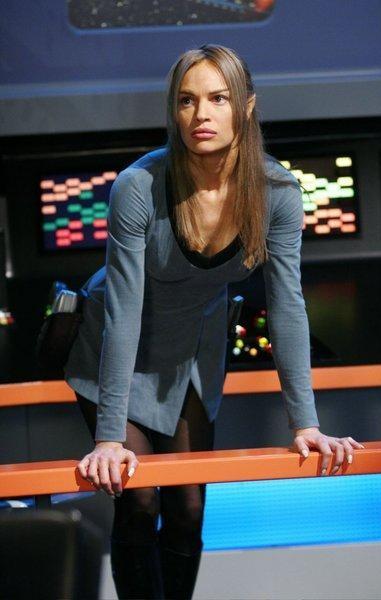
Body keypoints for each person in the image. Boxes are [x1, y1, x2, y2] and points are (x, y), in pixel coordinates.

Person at [64, 44, 364, 599]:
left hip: (193, 349)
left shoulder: (277, 192)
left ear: (245, 106)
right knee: (139, 498)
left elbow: (288, 304)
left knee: (189, 507)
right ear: (174, 110)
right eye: (187, 100)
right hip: (115, 343)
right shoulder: (138, 186)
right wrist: (108, 438)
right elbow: (124, 312)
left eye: (218, 98)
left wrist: (306, 425)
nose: (201, 114)